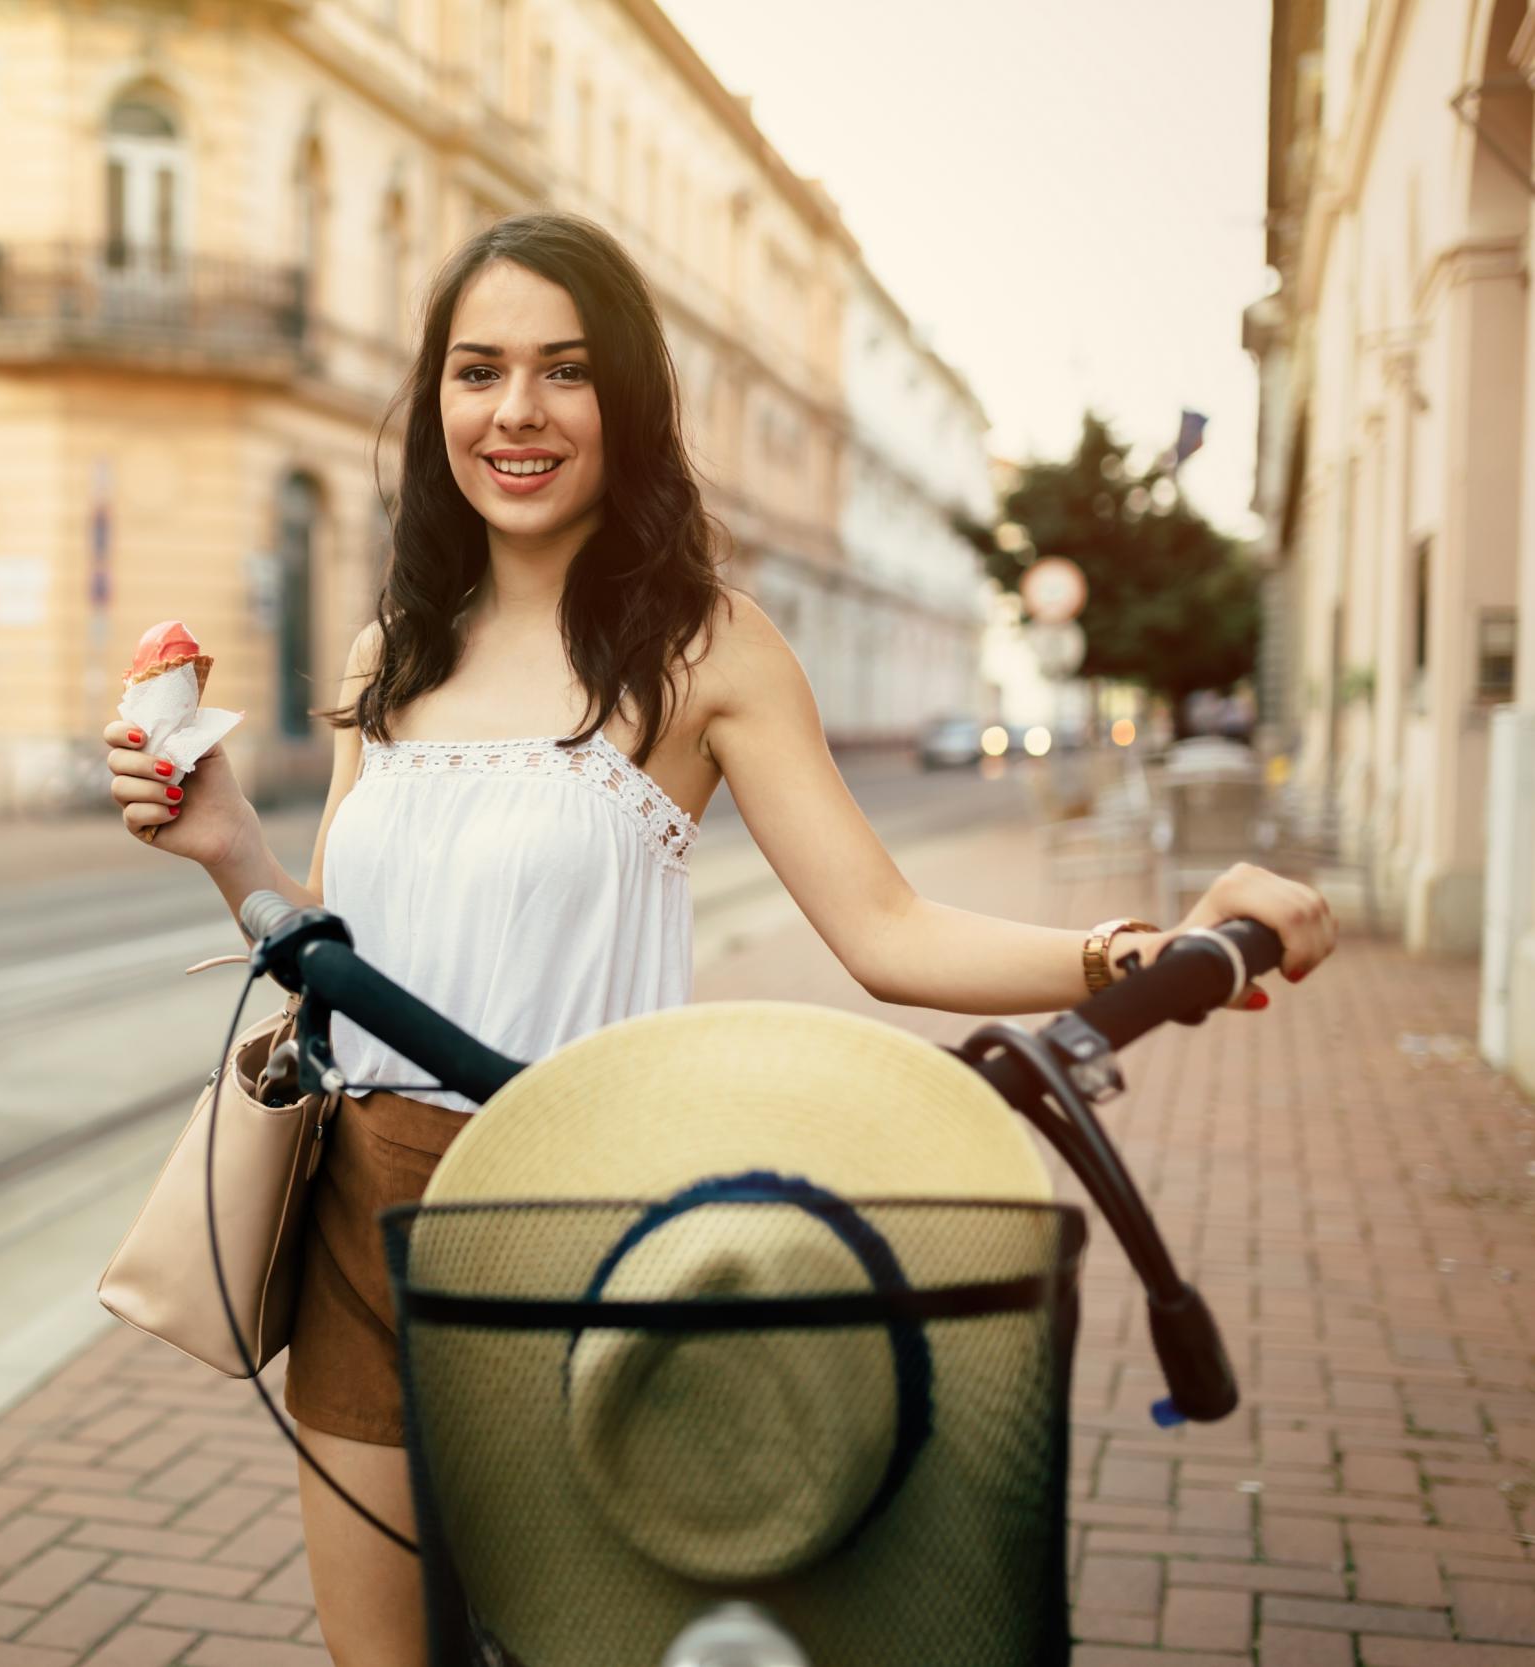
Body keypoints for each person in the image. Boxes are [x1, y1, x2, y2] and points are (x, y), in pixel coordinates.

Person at [100, 210, 1336, 1667]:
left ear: (626, 398)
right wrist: (229, 848)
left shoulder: (705, 646)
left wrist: (1137, 952)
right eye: (478, 370)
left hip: (579, 1219)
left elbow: (887, 929)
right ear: (433, 399)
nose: (517, 412)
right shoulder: (394, 652)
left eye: (564, 371)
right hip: (359, 1225)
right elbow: (340, 949)